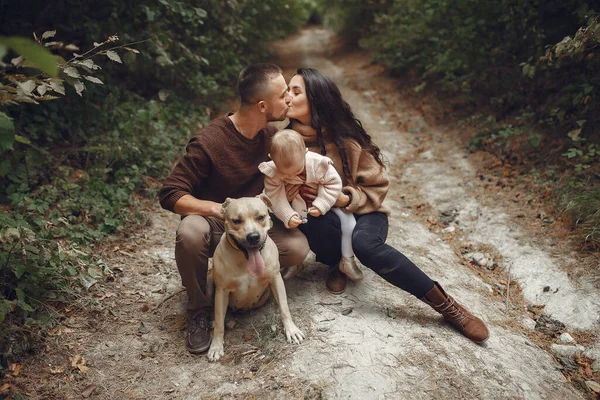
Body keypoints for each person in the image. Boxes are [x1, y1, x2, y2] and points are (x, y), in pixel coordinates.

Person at [285, 67, 489, 343]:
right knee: (312, 220)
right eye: (286, 90)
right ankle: (336, 263)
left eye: (295, 91)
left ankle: (447, 306)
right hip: (324, 219)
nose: (286, 96)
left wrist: (343, 197)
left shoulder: (346, 141)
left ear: (317, 100)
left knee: (366, 245)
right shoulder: (283, 144)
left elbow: (377, 186)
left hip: (365, 212)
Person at [159, 64, 309, 354]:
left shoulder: (270, 138)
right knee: (190, 230)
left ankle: (250, 282)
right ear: (263, 106)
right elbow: (170, 192)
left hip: (255, 224)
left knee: (298, 246)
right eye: (283, 94)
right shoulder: (210, 142)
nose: (289, 98)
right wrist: (218, 210)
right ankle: (200, 309)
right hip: (220, 224)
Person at [258, 129, 363, 289]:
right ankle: (295, 262)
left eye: (297, 170)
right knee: (291, 226)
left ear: (305, 153)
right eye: (285, 173)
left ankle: (347, 260)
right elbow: (275, 196)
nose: (291, 176)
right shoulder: (272, 171)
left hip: (327, 201)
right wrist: (287, 215)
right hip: (296, 204)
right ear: (272, 160)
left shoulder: (318, 163)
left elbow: (334, 184)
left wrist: (321, 204)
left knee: (348, 223)